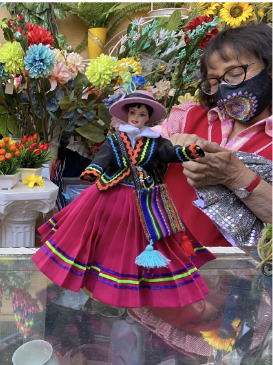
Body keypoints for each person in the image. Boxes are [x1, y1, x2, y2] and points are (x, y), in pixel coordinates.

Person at [33, 90, 216, 309]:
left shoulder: (155, 141)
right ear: (127, 114)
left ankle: (136, 280)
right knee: (96, 231)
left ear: (148, 117)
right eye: (132, 111)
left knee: (138, 236)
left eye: (141, 113)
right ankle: (96, 274)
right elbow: (103, 157)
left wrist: (189, 152)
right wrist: (93, 171)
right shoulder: (116, 139)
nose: (136, 116)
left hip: (144, 197)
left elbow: (170, 153)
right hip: (110, 192)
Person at [156, 24, 272, 246]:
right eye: (214, 82)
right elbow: (132, 149)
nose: (225, 88)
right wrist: (165, 146)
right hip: (166, 262)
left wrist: (235, 176)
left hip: (234, 276)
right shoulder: (190, 117)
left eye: (235, 73)